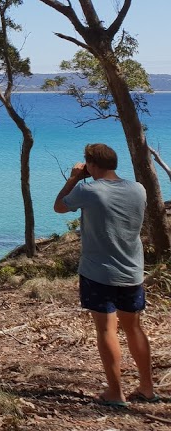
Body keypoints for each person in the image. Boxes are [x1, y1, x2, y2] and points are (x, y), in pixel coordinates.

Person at [54, 142, 157, 407]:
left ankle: (115, 393)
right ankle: (147, 388)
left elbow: (59, 207)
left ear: (91, 165)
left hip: (99, 272)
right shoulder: (138, 189)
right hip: (132, 271)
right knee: (134, 327)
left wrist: (74, 178)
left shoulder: (88, 189)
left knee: (107, 329)